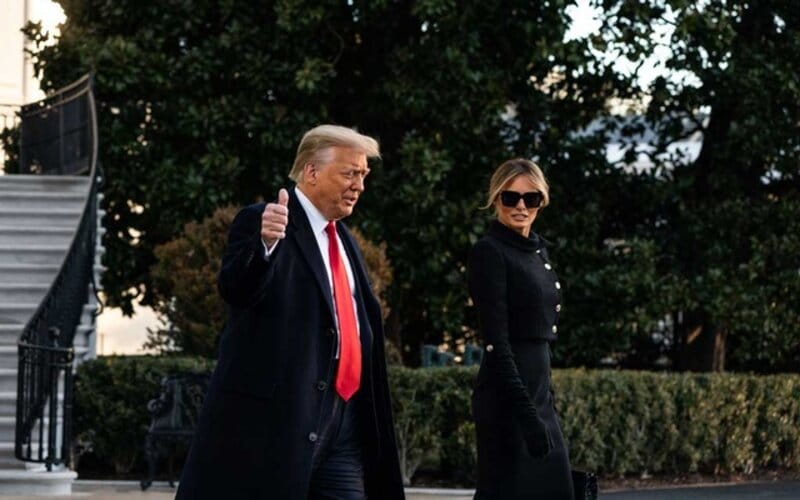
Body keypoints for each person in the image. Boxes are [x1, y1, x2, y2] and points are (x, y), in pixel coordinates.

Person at [176, 125, 405, 500]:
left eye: (364, 175)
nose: (360, 186)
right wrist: (264, 245)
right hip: (281, 422)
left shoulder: (344, 240)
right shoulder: (264, 221)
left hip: (345, 421)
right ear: (312, 171)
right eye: (350, 173)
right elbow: (236, 289)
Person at [468, 158, 574, 499]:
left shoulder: (538, 250)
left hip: (538, 392)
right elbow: (496, 342)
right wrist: (528, 416)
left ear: (542, 201)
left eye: (531, 198)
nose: (521, 206)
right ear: (496, 199)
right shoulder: (489, 252)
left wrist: (544, 403)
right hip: (506, 397)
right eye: (511, 197)